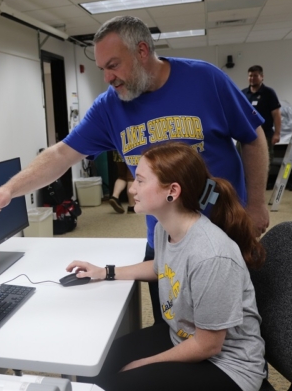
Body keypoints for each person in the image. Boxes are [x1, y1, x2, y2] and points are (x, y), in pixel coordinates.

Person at [0, 16, 270, 325]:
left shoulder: (206, 79)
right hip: (165, 241)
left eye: (113, 65)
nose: (108, 78)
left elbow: (252, 137)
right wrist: (9, 190)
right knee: (173, 328)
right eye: (102, 69)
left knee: (232, 329)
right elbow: (61, 155)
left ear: (141, 51)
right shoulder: (109, 107)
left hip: (222, 228)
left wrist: (257, 203)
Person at [66, 142, 266, 391]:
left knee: (119, 383)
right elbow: (161, 267)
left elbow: (208, 346)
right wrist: (105, 271)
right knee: (94, 364)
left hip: (229, 365)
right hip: (181, 335)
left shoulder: (212, 256)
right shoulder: (165, 228)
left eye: (140, 181)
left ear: (172, 191)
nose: (132, 188)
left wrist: (145, 363)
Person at [241, 65, 282, 174]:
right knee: (242, 161)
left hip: (265, 134)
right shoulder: (243, 93)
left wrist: (277, 133)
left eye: (255, 75)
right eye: (250, 76)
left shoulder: (269, 93)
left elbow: (276, 114)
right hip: (246, 134)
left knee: (264, 163)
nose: (252, 78)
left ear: (262, 77)